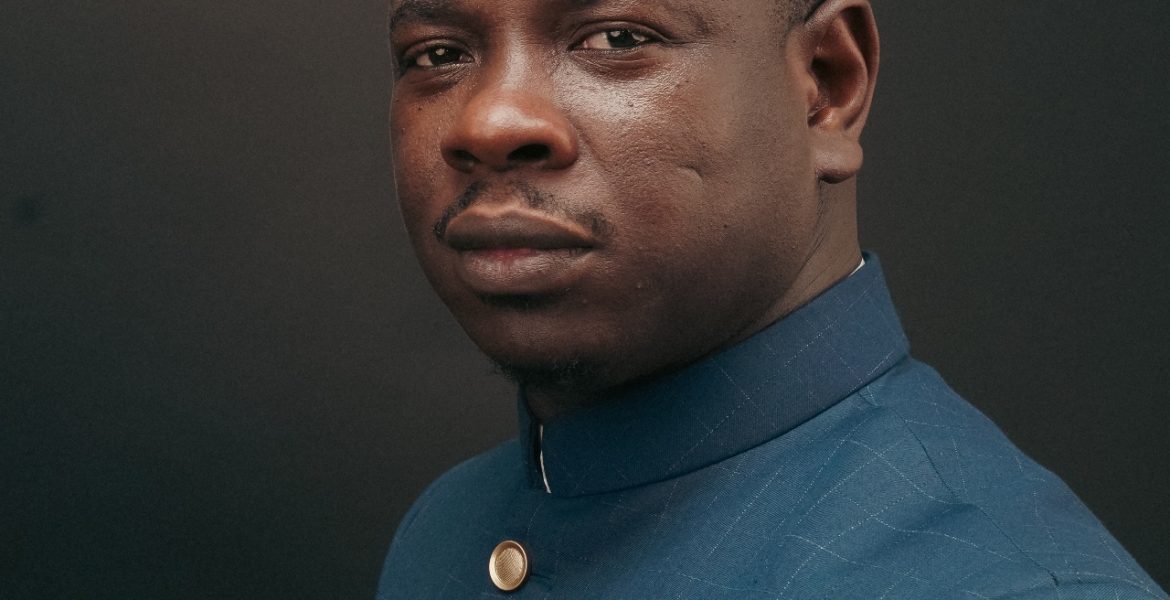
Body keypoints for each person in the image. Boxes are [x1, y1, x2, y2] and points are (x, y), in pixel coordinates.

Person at [377, 0, 1167, 597]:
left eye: (617, 37)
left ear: (827, 86)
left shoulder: (1005, 583)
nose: (487, 121)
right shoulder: (443, 533)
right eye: (438, 53)